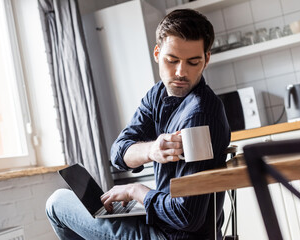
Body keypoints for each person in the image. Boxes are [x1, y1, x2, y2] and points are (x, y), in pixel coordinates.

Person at [46, 8, 230, 240]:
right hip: (161, 225)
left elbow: (187, 217)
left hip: (174, 237)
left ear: (206, 60)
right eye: (172, 60)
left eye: (193, 62)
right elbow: (118, 153)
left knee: (57, 203)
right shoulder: (158, 94)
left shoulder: (200, 115)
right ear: (156, 53)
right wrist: (150, 150)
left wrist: (136, 191)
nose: (181, 72)